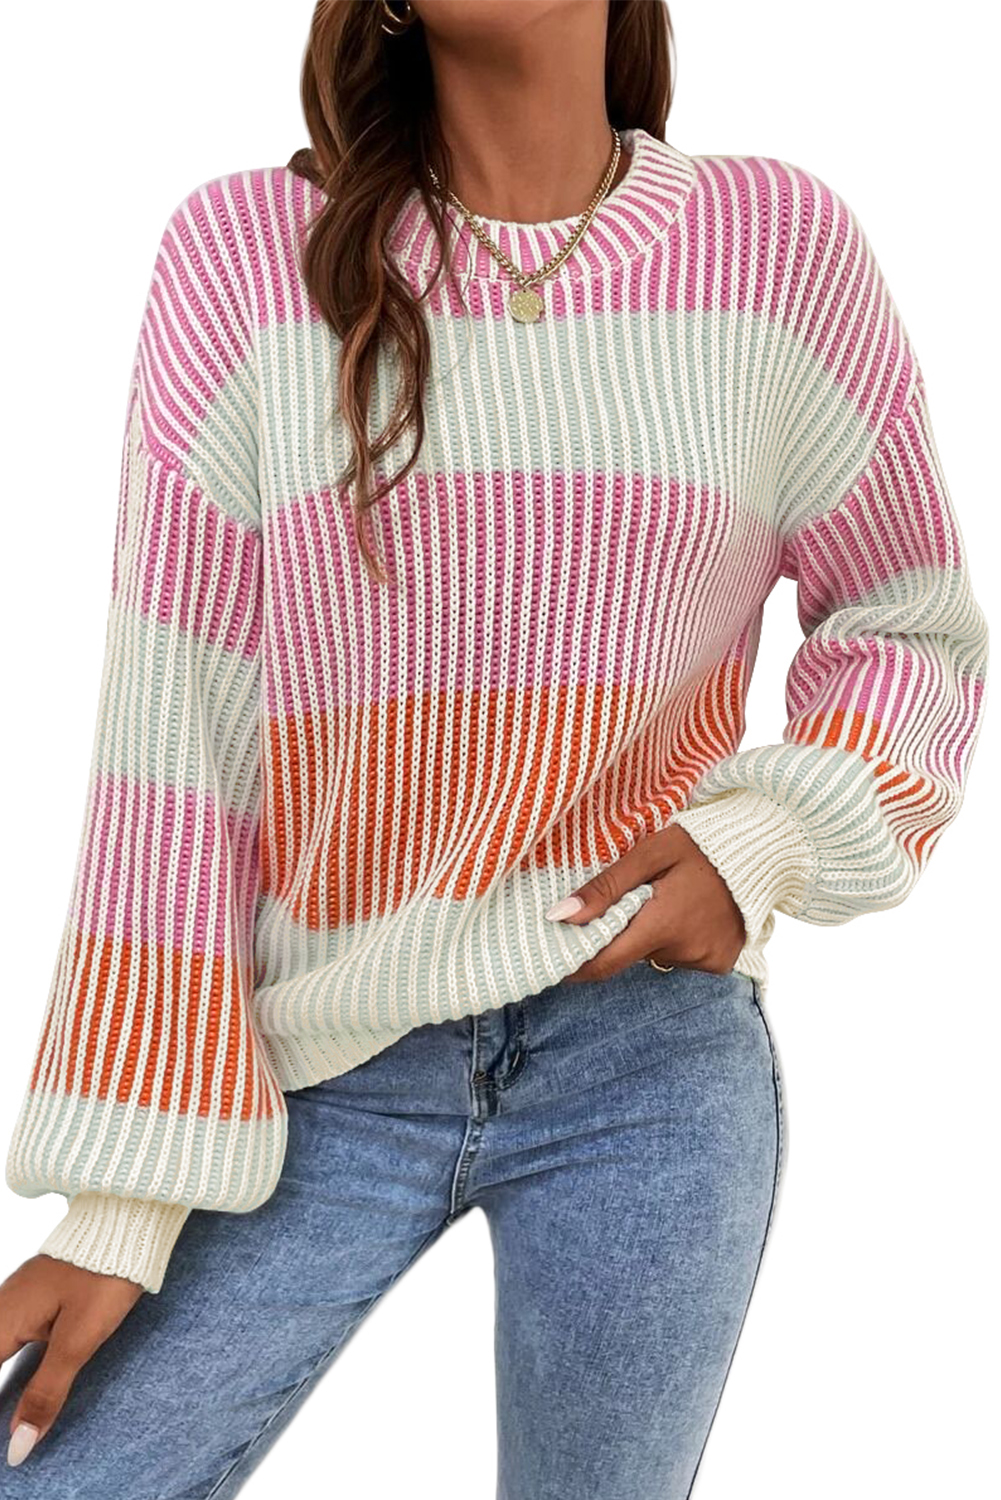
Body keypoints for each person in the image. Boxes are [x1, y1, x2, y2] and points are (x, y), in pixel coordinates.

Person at [0, 1, 989, 1495]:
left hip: (645, 1056)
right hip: (320, 1063)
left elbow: (909, 620)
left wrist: (761, 842)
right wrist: (126, 1195)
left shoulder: (779, 251)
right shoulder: (245, 257)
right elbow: (171, 744)